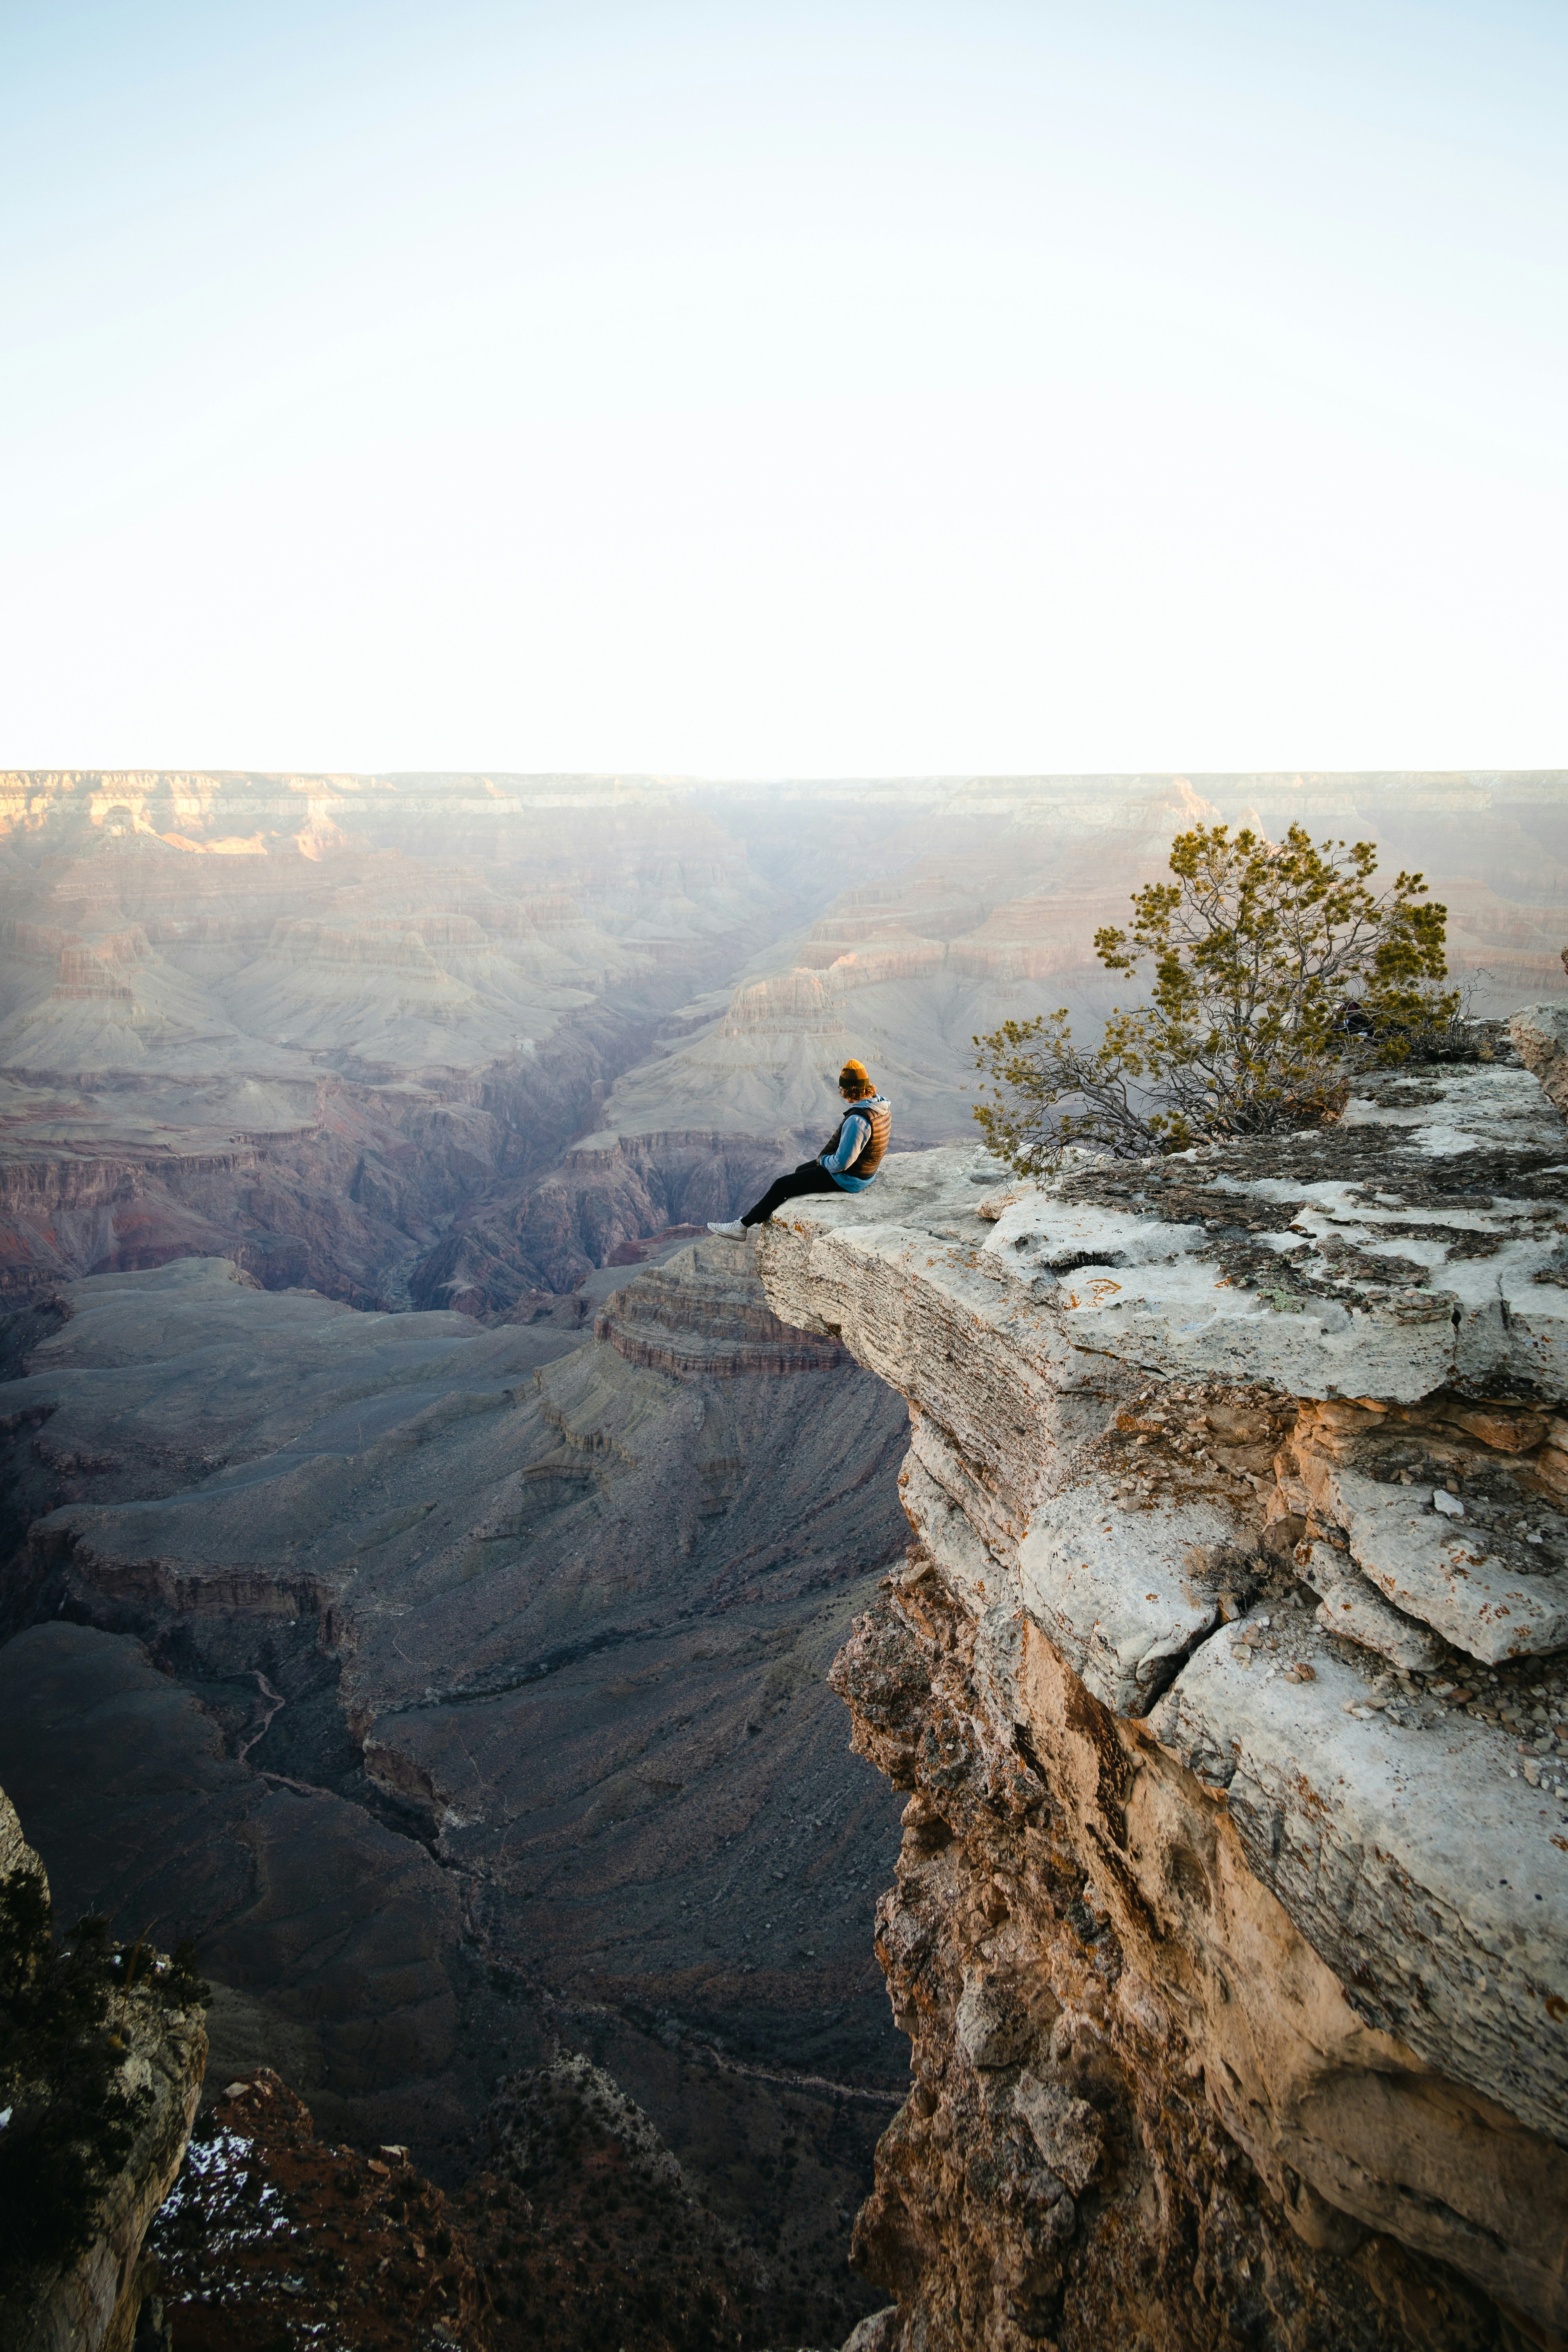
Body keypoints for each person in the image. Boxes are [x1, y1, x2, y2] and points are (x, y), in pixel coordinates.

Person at [708, 1060, 892, 1235]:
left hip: (851, 1179)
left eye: (841, 1089)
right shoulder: (879, 1106)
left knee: (782, 1185)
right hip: (866, 1172)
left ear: (849, 1090)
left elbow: (841, 1163)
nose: (841, 1092)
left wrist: (823, 1160)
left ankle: (742, 1227)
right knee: (800, 1171)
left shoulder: (857, 1120)